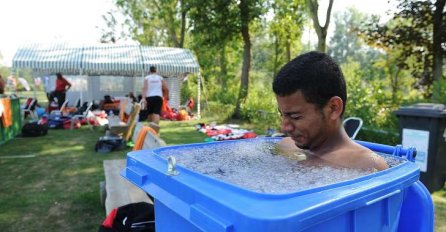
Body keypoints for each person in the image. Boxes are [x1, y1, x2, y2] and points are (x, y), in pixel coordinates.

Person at [273, 51, 388, 171]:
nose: (285, 128)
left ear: (333, 108)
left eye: (296, 116)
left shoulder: (366, 166)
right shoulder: (286, 146)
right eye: (282, 115)